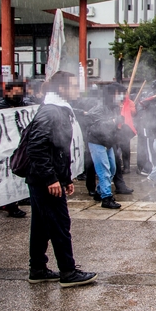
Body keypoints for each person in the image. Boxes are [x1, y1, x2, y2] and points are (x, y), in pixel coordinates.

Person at [26, 70, 97, 287]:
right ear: (62, 89)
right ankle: (68, 271)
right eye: (74, 86)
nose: (77, 90)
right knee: (59, 224)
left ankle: (37, 268)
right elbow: (36, 147)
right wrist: (51, 179)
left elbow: (60, 149)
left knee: (41, 226)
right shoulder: (51, 112)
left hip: (46, 178)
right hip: (44, 180)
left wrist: (65, 178)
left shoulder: (60, 109)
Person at [0, 81, 30, 218]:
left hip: (18, 148)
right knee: (4, 177)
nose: (17, 95)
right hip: (1, 149)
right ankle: (10, 205)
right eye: (15, 92)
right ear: (7, 92)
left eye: (20, 92)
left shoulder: (26, 107)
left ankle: (16, 199)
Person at [86, 83, 127, 209]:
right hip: (97, 142)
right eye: (117, 93)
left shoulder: (114, 107)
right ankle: (106, 197)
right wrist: (114, 121)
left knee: (113, 168)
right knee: (104, 170)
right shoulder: (99, 108)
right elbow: (97, 127)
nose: (120, 96)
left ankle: (99, 191)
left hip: (108, 142)